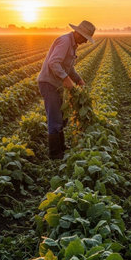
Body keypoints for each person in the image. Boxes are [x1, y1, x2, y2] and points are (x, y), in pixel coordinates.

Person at [38, 20, 95, 159]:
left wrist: (78, 80)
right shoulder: (64, 42)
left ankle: (61, 147)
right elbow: (53, 62)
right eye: (85, 38)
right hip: (48, 83)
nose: (86, 42)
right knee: (55, 118)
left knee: (62, 118)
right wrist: (65, 78)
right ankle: (55, 154)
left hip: (56, 84)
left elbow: (69, 67)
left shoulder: (72, 44)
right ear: (79, 34)